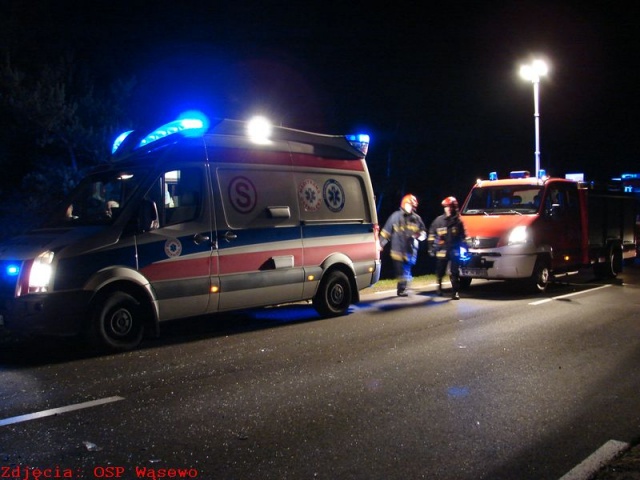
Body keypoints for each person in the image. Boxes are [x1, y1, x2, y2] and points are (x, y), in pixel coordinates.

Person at [379, 194, 427, 296]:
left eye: (413, 206)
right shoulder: (395, 217)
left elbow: (423, 234)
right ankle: (402, 288)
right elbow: (386, 232)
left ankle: (402, 288)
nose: (412, 208)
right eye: (410, 205)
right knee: (400, 271)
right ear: (404, 204)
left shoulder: (417, 219)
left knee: (405, 270)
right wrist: (380, 244)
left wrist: (419, 235)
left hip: (410, 251)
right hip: (397, 250)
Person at [428, 196, 466, 300]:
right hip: (442, 250)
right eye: (446, 207)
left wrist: (466, 248)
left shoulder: (458, 221)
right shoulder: (438, 221)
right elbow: (431, 235)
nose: (448, 209)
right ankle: (439, 288)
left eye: (450, 207)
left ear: (454, 208)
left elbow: (463, 237)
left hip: (454, 250)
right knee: (440, 270)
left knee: (455, 272)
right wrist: (431, 248)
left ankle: (455, 292)